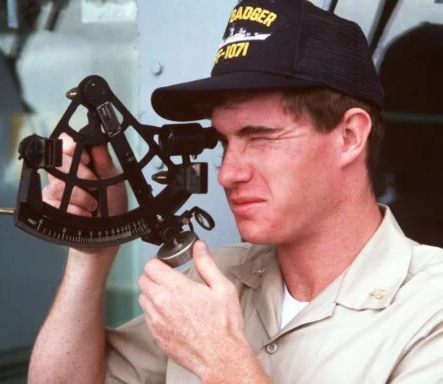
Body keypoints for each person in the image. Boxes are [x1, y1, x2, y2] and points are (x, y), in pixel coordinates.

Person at [28, 1, 443, 383]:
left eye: (260, 138)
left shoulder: (430, 307)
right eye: (225, 142)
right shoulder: (218, 279)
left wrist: (221, 361)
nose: (227, 173)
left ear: (350, 136)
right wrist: (92, 255)